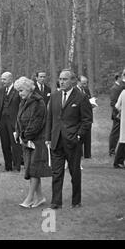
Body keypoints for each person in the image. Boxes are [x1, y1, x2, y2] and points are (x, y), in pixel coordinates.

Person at [45, 69, 92, 209]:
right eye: (60, 79)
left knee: (75, 172)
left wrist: (78, 136)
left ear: (73, 81)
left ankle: (76, 201)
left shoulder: (81, 97)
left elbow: (87, 120)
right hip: (56, 140)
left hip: (73, 142)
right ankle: (56, 202)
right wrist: (48, 137)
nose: (62, 82)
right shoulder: (54, 96)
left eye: (65, 79)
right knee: (56, 173)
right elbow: (50, 118)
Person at [14, 77, 51, 208]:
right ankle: (40, 197)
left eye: (21, 90)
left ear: (29, 88)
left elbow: (36, 124)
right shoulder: (24, 101)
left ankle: (29, 199)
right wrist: (17, 132)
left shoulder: (38, 103)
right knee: (31, 169)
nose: (20, 93)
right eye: (18, 91)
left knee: (34, 169)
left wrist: (24, 136)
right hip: (27, 140)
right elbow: (19, 119)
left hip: (37, 141)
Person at [0, 72, 22, 172]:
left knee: (15, 144)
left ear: (11, 79)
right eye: (2, 79)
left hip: (14, 121)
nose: (2, 81)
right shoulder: (1, 91)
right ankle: (8, 166)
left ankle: (17, 165)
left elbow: (21, 106)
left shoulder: (17, 90)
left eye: (4, 79)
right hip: (2, 121)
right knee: (5, 143)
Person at [109, 69, 125, 157]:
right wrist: (118, 113)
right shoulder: (115, 88)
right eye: (121, 77)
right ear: (118, 78)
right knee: (115, 133)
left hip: (120, 112)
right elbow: (113, 103)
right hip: (117, 114)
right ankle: (112, 150)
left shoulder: (120, 87)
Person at [113, 87, 125, 169]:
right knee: (123, 141)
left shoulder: (123, 92)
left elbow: (117, 106)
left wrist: (122, 110)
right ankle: (118, 161)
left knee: (123, 140)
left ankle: (118, 161)